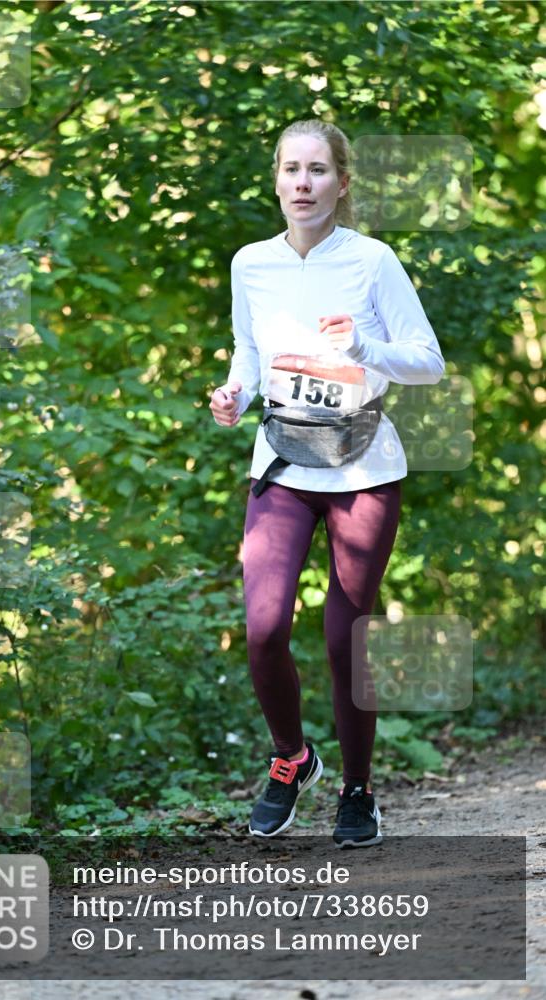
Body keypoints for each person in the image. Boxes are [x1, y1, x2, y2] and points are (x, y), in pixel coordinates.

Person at [209, 120, 445, 847]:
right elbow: (249, 351)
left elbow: (426, 361)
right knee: (261, 627)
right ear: (275, 180)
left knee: (347, 639)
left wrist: (363, 347)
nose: (303, 183)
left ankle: (357, 791)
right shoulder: (250, 263)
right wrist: (233, 394)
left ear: (342, 182)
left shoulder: (372, 261)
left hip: (362, 468)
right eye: (291, 169)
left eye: (317, 170)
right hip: (281, 462)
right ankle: (291, 758)